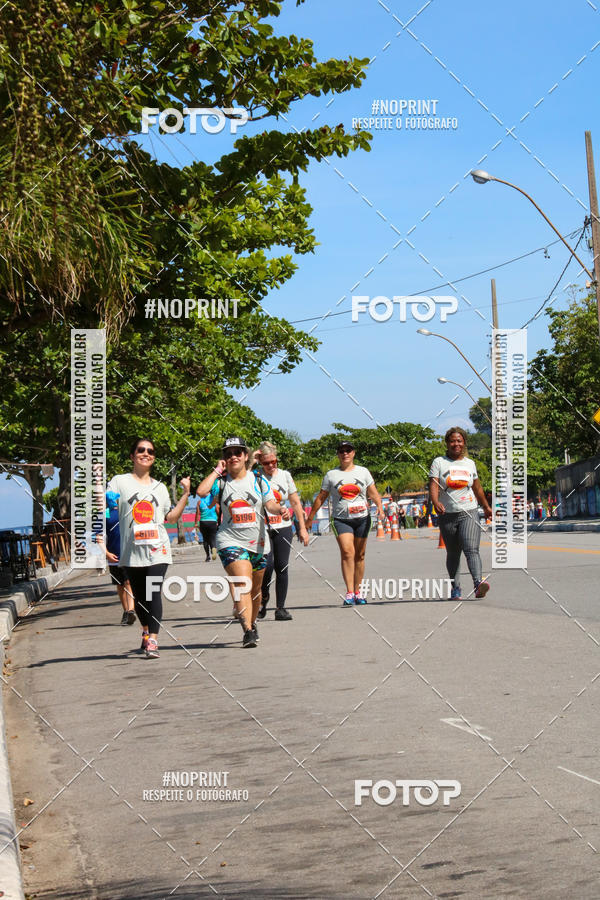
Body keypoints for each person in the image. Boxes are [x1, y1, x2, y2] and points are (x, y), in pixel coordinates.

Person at [196, 437, 287, 648]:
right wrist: (217, 471)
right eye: (228, 454)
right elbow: (201, 492)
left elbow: (270, 504)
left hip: (258, 543)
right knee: (243, 583)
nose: (233, 457)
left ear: (246, 456)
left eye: (238, 452)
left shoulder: (258, 480)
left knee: (256, 589)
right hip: (229, 540)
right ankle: (247, 630)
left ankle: (252, 623)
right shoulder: (220, 483)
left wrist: (279, 510)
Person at [107, 439, 190, 658]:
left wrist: (185, 495)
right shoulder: (119, 481)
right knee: (141, 598)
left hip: (158, 551)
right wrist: (106, 499)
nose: (146, 453)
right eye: (141, 450)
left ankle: (153, 639)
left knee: (153, 593)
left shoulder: (160, 487)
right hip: (131, 553)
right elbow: (107, 504)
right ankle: (145, 631)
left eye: (150, 451)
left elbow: (169, 517)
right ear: (132, 456)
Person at [306, 440, 384, 606]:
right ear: (338, 454)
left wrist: (380, 508)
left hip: (362, 518)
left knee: (360, 554)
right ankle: (349, 592)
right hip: (341, 519)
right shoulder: (331, 475)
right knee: (348, 552)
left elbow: (373, 493)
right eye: (341, 451)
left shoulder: (363, 472)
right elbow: (321, 496)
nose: (345, 453)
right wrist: (310, 517)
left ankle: (358, 591)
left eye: (348, 450)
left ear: (353, 453)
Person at [429, 427, 492, 601]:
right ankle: (455, 588)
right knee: (453, 553)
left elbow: (477, 488)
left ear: (464, 442)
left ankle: (478, 583)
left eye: (459, 440)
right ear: (447, 443)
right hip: (447, 514)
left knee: (471, 549)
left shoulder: (469, 464)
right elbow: (433, 485)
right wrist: (436, 502)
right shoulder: (439, 462)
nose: (456, 444)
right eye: (452, 441)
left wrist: (486, 507)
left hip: (469, 511)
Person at [251, 441, 310, 621]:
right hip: (262, 528)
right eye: (266, 463)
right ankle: (263, 597)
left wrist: (302, 528)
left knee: (282, 566)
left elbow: (295, 502)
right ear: (261, 462)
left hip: (283, 527)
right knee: (266, 567)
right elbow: (239, 475)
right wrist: (252, 460)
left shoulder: (285, 475)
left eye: (273, 462)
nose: (270, 466)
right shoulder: (254, 475)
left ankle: (281, 608)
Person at [104, 490, 135, 625]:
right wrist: (106, 554)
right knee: (120, 584)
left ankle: (131, 611)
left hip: (128, 554)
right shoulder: (104, 515)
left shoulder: (128, 512)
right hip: (113, 555)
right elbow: (99, 537)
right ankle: (126, 610)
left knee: (128, 582)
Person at [195, 493, 218, 562]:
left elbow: (197, 513)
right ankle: (213, 548)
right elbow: (217, 511)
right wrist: (219, 520)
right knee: (212, 537)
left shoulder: (199, 502)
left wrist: (196, 523)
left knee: (205, 539)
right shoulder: (214, 501)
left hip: (203, 522)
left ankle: (208, 557)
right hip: (213, 521)